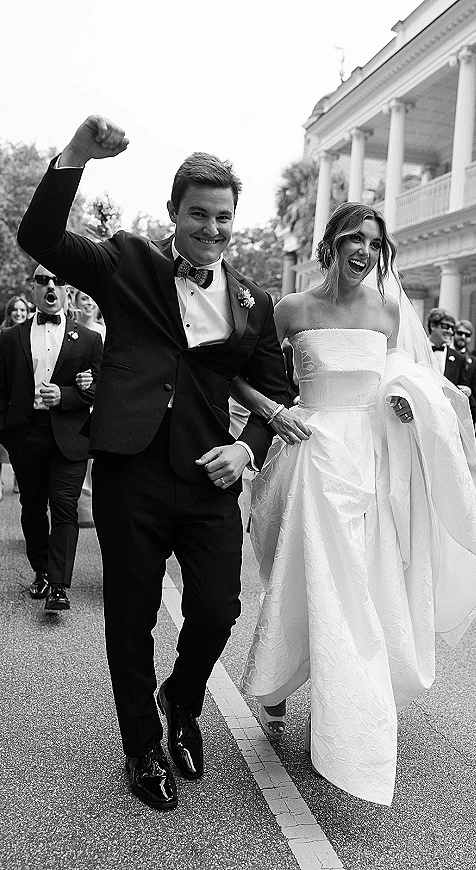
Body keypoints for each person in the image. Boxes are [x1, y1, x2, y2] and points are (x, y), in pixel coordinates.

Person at [18, 114, 290, 812]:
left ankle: (183, 699)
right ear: (175, 213)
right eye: (199, 214)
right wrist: (77, 155)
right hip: (129, 470)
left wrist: (246, 450)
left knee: (217, 608)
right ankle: (142, 745)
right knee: (131, 616)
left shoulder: (252, 301)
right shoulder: (128, 261)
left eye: (224, 216)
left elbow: (276, 397)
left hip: (207, 475)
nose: (213, 228)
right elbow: (39, 238)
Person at [236, 202, 476, 806]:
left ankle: (348, 706)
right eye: (353, 237)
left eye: (374, 242)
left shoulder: (388, 310)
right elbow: (236, 373)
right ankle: (282, 679)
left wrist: (402, 398)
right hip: (309, 457)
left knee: (358, 583)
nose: (363, 249)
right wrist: (275, 413)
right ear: (331, 243)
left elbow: (408, 377)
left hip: (372, 464)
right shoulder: (292, 309)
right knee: (304, 575)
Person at [0, 265, 102, 609]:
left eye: (59, 281)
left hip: (70, 436)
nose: (51, 287)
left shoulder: (89, 340)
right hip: (26, 436)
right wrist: (7, 432)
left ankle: (59, 584)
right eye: (43, 280)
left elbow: (100, 389)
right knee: (32, 508)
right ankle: (41, 572)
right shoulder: (10, 338)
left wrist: (67, 395)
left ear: (68, 291)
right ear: (33, 288)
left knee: (63, 506)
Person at [72, 289, 106, 527]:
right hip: (77, 400)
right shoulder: (70, 331)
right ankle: (80, 507)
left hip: (103, 400)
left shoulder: (107, 331)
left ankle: (97, 505)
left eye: (93, 298)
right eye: (84, 298)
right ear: (75, 300)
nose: (89, 303)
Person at [0, 295, 31, 498]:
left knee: (25, 440)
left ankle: (22, 479)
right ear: (9, 312)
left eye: (22, 310)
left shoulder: (33, 334)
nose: (19, 313)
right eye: (15, 310)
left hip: (25, 393)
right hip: (5, 392)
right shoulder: (3, 334)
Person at [453, 319, 476, 438]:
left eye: (467, 335)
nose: (463, 337)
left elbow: (475, 391)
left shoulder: (473, 361)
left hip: (462, 412)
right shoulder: (444, 354)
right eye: (460, 333)